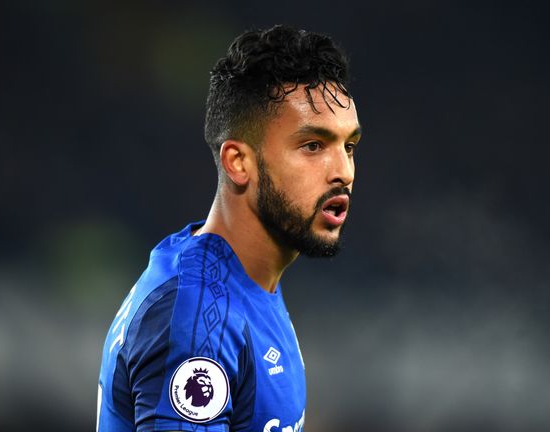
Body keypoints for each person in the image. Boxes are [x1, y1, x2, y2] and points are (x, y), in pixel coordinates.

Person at [97, 24, 361, 432]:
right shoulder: (200, 317)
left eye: (348, 146)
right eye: (313, 146)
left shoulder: (241, 280)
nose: (343, 171)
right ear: (239, 162)